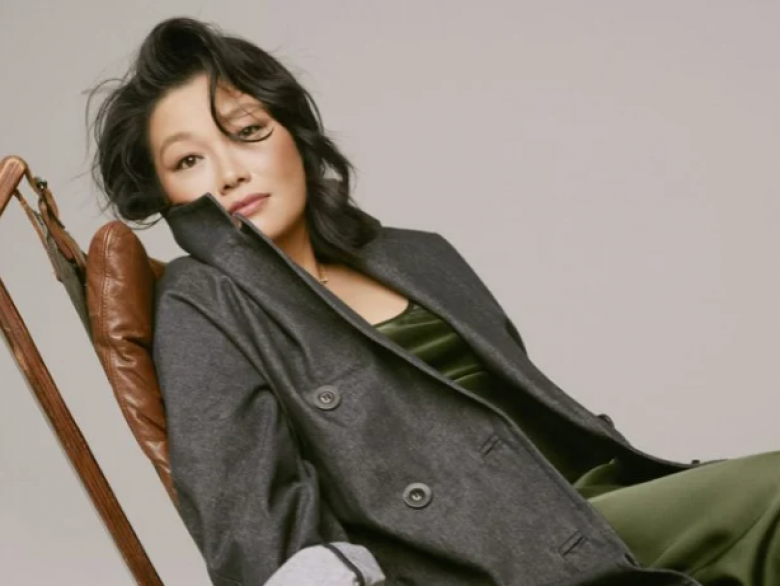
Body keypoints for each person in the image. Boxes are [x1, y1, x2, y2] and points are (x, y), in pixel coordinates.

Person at [88, 16, 779, 586]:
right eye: (188, 160)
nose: (230, 172)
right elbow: (250, 520)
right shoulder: (204, 302)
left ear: (295, 134)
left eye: (247, 131)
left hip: (589, 502)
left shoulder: (417, 255)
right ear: (164, 194)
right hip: (490, 562)